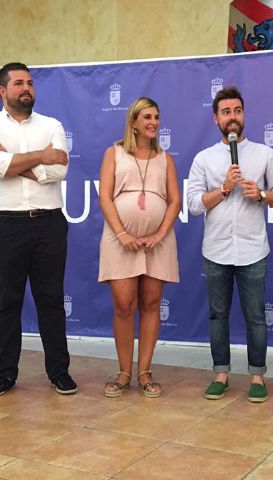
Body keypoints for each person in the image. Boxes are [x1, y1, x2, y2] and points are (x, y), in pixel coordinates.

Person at [0, 62, 77, 399]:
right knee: (7, 302)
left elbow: (59, 171)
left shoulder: (51, 125)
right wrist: (41, 156)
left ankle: (59, 372)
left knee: (51, 300)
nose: (26, 88)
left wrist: (14, 159)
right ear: (2, 90)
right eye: (18, 83)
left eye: (30, 82)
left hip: (48, 224)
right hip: (3, 225)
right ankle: (4, 375)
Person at [188, 86, 273, 403]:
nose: (232, 117)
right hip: (216, 249)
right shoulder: (204, 158)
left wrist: (261, 195)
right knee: (218, 315)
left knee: (256, 316)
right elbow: (193, 204)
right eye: (226, 112)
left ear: (243, 114)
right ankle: (221, 374)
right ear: (215, 118)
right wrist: (223, 189)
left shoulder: (264, 154)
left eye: (237, 111)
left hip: (253, 249)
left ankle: (257, 376)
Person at [98, 97, 181, 398]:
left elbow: (175, 201)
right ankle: (124, 372)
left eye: (156, 117)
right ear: (133, 122)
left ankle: (145, 371)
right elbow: (105, 197)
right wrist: (122, 234)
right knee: (123, 305)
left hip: (158, 242)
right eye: (147, 117)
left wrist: (159, 235)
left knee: (151, 303)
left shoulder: (165, 158)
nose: (153, 122)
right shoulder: (114, 153)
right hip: (120, 240)